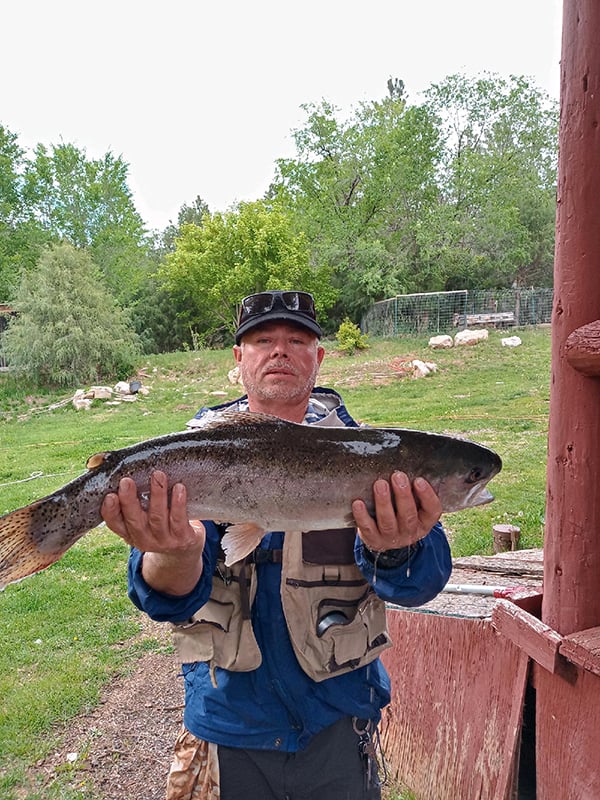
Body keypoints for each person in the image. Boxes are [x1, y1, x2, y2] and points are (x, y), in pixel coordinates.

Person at [101, 290, 452, 800]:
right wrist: (175, 552)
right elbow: (162, 598)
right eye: (263, 340)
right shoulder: (190, 457)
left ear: (319, 356)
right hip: (229, 730)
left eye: (297, 339)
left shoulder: (374, 461)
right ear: (239, 359)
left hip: (337, 723)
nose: (280, 351)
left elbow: (423, 584)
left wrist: (396, 549)